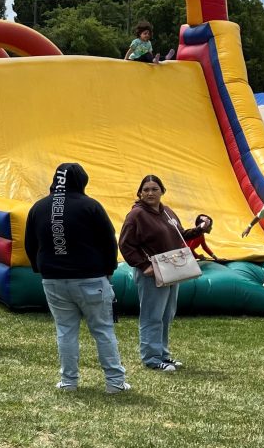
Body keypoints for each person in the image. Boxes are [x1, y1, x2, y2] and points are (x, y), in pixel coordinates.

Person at [25, 163, 129, 394]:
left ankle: (69, 381)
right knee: (102, 330)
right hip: (90, 278)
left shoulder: (39, 207)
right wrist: (109, 268)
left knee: (65, 330)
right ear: (82, 180)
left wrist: (40, 268)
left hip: (53, 279)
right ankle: (114, 382)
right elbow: (108, 240)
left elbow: (30, 244)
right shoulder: (90, 206)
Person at [118, 174, 204, 372]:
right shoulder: (136, 215)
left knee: (166, 315)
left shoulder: (167, 212)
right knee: (152, 315)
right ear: (139, 193)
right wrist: (142, 265)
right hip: (153, 272)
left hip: (172, 269)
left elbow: (179, 234)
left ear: (162, 191)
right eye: (145, 189)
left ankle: (163, 354)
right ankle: (152, 358)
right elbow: (125, 244)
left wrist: (199, 230)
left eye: (154, 189)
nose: (150, 193)